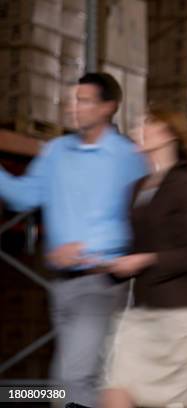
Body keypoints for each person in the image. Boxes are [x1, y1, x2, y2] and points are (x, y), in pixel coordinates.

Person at [0, 73, 147, 407]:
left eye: (83, 100)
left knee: (72, 378)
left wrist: (90, 250)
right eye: (71, 100)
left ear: (108, 107)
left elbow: (145, 219)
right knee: (83, 377)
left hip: (101, 284)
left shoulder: (127, 158)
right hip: (61, 286)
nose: (73, 107)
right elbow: (24, 196)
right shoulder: (56, 152)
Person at [99, 109, 187, 408]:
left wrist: (145, 261)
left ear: (170, 133)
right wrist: (108, 262)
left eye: (149, 123)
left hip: (179, 314)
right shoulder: (137, 187)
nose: (140, 128)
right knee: (115, 391)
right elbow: (137, 245)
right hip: (141, 309)